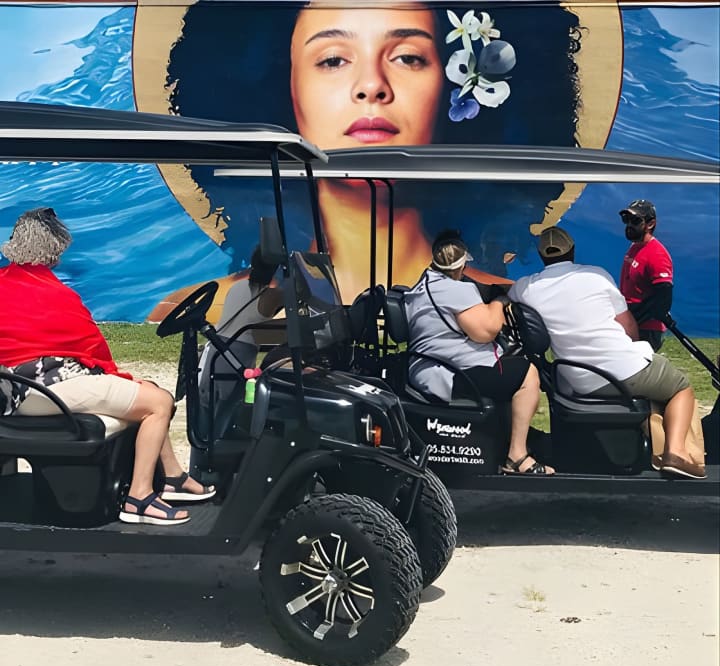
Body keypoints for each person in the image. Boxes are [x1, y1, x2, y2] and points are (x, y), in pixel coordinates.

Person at [158, 0, 583, 311]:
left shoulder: (500, 303)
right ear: (283, 89)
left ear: (453, 90)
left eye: (408, 57)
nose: (372, 86)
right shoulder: (203, 307)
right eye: (333, 60)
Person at [0, 208, 216, 526]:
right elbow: (91, 349)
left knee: (149, 391)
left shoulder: (5, 284)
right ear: (54, 252)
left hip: (20, 388)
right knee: (158, 403)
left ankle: (172, 477)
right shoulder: (57, 295)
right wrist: (114, 374)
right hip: (43, 391)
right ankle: (139, 498)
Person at [508, 225, 705, 479]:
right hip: (624, 371)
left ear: (541, 255)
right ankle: (675, 453)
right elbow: (630, 328)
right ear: (573, 251)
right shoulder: (596, 275)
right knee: (681, 387)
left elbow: (505, 293)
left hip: (578, 380)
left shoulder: (526, 288)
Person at [404, 229, 553, 475]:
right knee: (527, 373)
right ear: (460, 267)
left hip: (428, 368)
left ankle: (508, 435)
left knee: (507, 369)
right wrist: (499, 301)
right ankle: (517, 455)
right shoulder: (455, 290)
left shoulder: (422, 286)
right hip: (448, 375)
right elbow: (487, 331)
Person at [192, 244, 283, 475]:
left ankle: (198, 470)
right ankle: (214, 470)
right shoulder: (272, 295)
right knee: (225, 415)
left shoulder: (238, 287)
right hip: (238, 355)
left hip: (217, 349)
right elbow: (300, 294)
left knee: (205, 413)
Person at [619, 199, 673, 351]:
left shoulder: (657, 253)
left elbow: (663, 296)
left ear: (650, 224)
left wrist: (635, 317)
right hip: (632, 322)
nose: (629, 225)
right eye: (626, 219)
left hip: (647, 329)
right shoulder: (635, 246)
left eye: (635, 220)